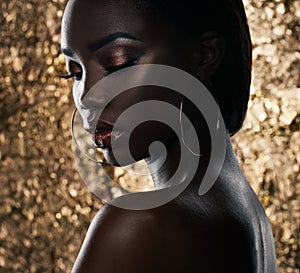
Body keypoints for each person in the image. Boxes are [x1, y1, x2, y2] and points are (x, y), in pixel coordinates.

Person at [60, 0, 277, 272]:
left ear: (205, 54)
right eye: (74, 73)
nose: (87, 97)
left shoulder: (141, 226)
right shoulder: (249, 215)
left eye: (118, 64)